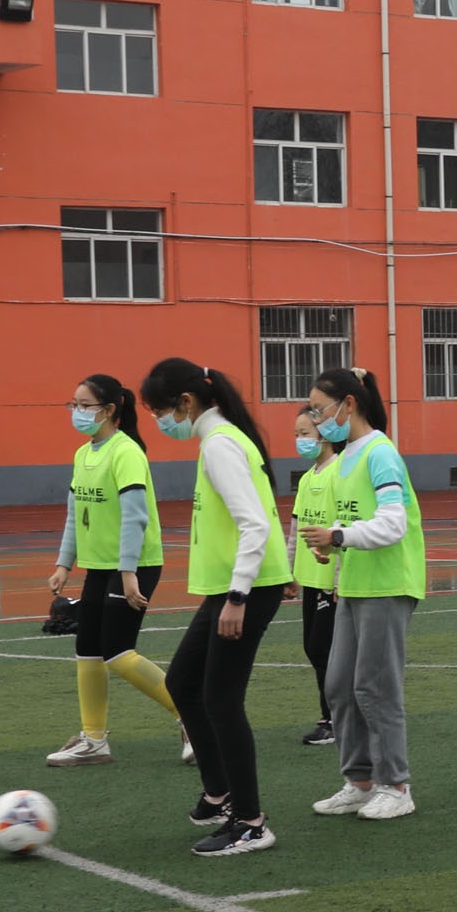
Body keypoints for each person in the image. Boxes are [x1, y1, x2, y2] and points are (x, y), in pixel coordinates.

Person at [142, 358, 292, 857]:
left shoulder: (221, 444)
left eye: (161, 411)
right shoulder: (220, 440)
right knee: (182, 683)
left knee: (222, 701)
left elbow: (255, 524)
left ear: (186, 403)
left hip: (242, 592)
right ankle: (220, 791)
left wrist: (237, 597)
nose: (160, 423)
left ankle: (250, 822)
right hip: (237, 588)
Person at [43, 373, 185, 768]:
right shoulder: (83, 454)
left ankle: (192, 717)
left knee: (118, 653)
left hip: (135, 566)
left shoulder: (126, 453)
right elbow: (76, 515)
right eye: (73, 404)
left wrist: (127, 571)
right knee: (87, 651)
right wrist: (63, 564)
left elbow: (135, 519)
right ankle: (93, 740)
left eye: (84, 405)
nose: (76, 412)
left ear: (108, 410)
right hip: (102, 567)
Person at [305, 367, 427, 822]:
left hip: (388, 585)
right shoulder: (344, 458)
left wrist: (338, 536)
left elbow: (392, 524)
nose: (317, 420)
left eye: (320, 409)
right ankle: (359, 781)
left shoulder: (380, 453)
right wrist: (331, 549)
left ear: (348, 404)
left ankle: (396, 785)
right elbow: (354, 524)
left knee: (375, 688)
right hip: (355, 585)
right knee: (339, 686)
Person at [287, 403, 340, 747]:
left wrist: (338, 580)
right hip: (309, 580)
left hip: (331, 582)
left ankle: (335, 718)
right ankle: (333, 715)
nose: (300, 440)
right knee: (313, 647)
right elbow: (295, 529)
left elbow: (343, 529)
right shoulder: (307, 478)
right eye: (297, 434)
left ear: (325, 435)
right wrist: (288, 572)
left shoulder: (340, 474)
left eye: (305, 434)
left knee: (324, 648)